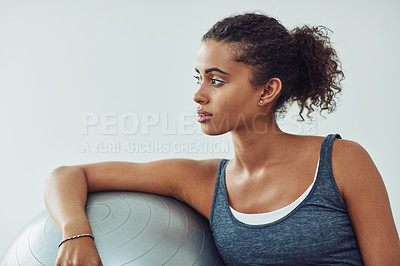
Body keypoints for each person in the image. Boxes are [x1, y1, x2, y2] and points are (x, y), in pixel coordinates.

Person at [45, 12, 400, 265]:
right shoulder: (202, 182)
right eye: (197, 77)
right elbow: (67, 175)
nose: (198, 95)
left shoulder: (341, 160)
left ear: (267, 90)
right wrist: (76, 233)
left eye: (216, 80)